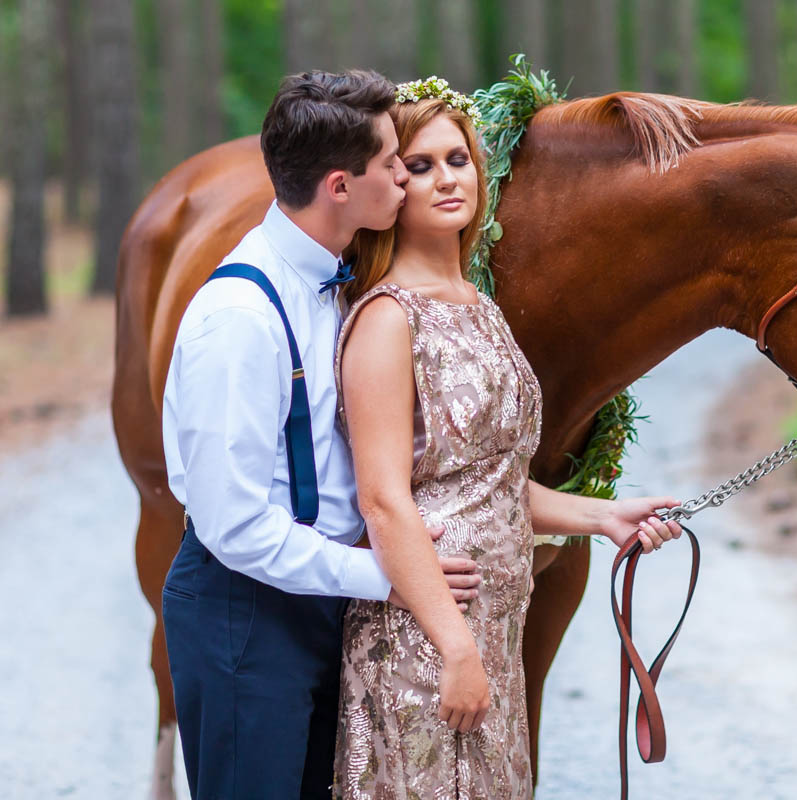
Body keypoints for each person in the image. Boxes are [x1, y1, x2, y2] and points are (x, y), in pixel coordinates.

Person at [331, 78, 684, 799]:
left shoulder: (480, 308)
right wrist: (454, 647)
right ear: (392, 187)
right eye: (420, 166)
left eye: (456, 158)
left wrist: (603, 517)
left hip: (492, 628)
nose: (445, 179)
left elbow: (490, 482)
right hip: (424, 635)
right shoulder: (386, 319)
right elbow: (383, 498)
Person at [160, 70, 483, 800]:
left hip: (325, 600)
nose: (406, 177)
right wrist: (387, 578)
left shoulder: (344, 287)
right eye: (393, 163)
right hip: (243, 611)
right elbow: (234, 525)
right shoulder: (239, 318)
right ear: (341, 186)